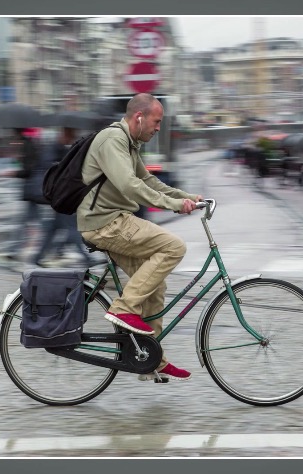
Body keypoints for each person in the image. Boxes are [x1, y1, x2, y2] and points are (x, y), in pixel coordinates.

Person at [78, 93, 203, 382]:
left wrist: (187, 197)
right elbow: (129, 185)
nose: (158, 128)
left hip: (114, 220)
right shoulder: (113, 141)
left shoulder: (129, 143)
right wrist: (173, 205)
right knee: (174, 246)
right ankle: (123, 309)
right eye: (156, 121)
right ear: (139, 118)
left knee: (154, 285)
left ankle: (150, 359)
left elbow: (147, 180)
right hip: (105, 223)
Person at [32, 126, 101, 268]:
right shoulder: (52, 148)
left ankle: (38, 257)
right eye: (70, 135)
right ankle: (86, 257)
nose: (71, 138)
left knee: (54, 229)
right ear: (64, 134)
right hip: (58, 195)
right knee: (72, 227)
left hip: (61, 195)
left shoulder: (63, 148)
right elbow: (49, 168)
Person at [4, 128, 44, 260]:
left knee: (25, 222)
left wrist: (14, 173)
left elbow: (29, 170)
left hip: (32, 191)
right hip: (33, 191)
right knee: (39, 222)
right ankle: (52, 248)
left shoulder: (27, 145)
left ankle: (13, 250)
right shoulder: (29, 145)